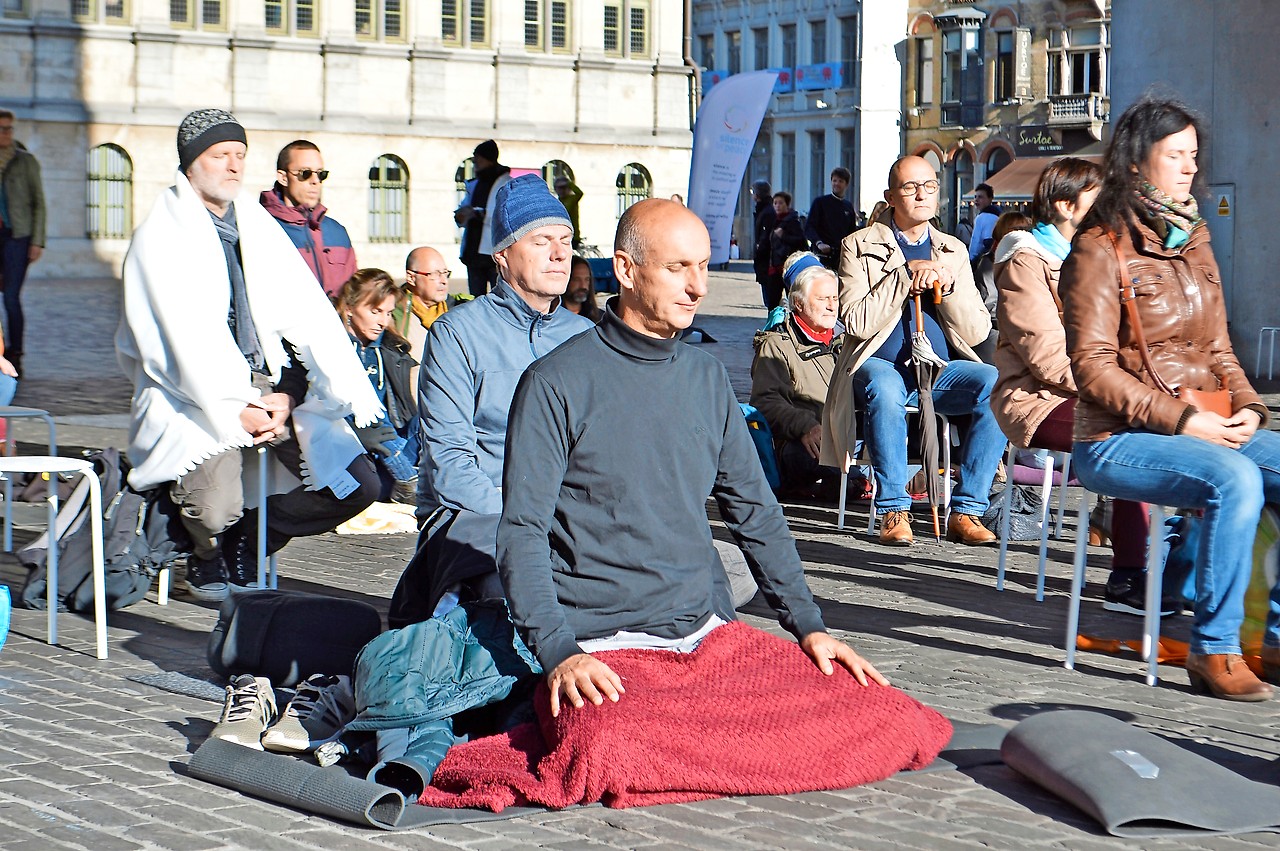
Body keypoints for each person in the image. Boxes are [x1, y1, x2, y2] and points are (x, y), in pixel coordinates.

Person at [498, 198, 888, 720]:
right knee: (622, 750)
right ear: (625, 270)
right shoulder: (553, 383)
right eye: (678, 268)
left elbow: (754, 510)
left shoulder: (705, 378)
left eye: (703, 267)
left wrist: (809, 624)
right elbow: (522, 531)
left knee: (867, 715)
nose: (698, 288)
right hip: (601, 641)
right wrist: (558, 652)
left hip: (705, 631)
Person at [1062, 95, 1280, 702]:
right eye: (1176, 154)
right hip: (1114, 439)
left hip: (1203, 423)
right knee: (1235, 479)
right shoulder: (1098, 249)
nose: (1190, 167)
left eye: (1194, 154)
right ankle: (1216, 648)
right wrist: (1184, 421)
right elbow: (1093, 370)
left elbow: (1220, 349)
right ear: (1136, 163)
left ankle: (1275, 638)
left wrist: (1247, 409)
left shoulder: (1194, 239)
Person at [116, 109, 383, 601]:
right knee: (216, 508)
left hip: (269, 387)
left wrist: (286, 396)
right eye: (221, 155)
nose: (234, 166)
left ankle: (251, 534)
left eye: (240, 155)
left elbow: (301, 321)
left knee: (357, 483)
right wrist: (233, 405)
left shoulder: (258, 230)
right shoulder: (160, 236)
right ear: (192, 163)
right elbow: (172, 344)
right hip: (193, 397)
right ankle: (202, 543)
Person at [387, 174, 594, 627]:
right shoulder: (458, 334)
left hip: (572, 525)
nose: (561, 254)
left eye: (566, 240)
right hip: (480, 519)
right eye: (542, 241)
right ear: (502, 256)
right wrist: (535, 525)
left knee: (720, 570)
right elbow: (452, 468)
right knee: (529, 591)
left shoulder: (585, 338)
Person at [991, 157, 1166, 616]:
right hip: (1038, 399)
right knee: (1134, 435)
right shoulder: (1024, 261)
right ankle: (1130, 574)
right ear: (1067, 206)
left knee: (1182, 431)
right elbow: (1045, 357)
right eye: (1099, 197)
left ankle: (1173, 557)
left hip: (1098, 390)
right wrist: (1118, 390)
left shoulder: (1100, 257)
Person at [822, 156, 1003, 547]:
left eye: (930, 186)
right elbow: (855, 321)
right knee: (885, 388)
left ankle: (967, 510)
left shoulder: (953, 249)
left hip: (938, 370)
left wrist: (948, 286)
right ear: (890, 196)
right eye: (910, 187)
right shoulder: (858, 244)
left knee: (995, 383)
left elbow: (976, 330)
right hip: (879, 364)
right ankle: (893, 509)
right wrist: (905, 276)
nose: (922, 194)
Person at [751, 252, 844, 498]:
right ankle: (854, 481)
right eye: (823, 298)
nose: (832, 305)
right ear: (799, 304)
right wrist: (806, 426)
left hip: (849, 436)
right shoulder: (777, 345)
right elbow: (765, 402)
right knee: (812, 456)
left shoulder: (847, 341)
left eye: (835, 298)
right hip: (804, 443)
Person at [335, 269, 419, 503]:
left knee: (438, 411)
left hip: (393, 447)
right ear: (350, 308)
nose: (383, 322)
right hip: (354, 453)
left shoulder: (388, 348)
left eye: (389, 313)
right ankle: (409, 483)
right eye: (375, 311)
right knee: (372, 419)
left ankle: (413, 480)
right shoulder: (334, 349)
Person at [259, 140, 357, 297]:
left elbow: (354, 296)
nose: (315, 181)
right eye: (305, 173)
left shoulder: (338, 232)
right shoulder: (261, 228)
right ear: (283, 177)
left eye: (321, 174)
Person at [0, 109, 46, 377]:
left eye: (9, 129)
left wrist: (37, 240)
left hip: (18, 237)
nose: (6, 133)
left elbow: (39, 202)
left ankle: (16, 353)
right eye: (2, 129)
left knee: (12, 297)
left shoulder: (25, 161)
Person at [455, 140, 512, 297]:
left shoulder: (504, 181)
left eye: (478, 159)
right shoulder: (476, 183)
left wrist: (478, 213)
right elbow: (465, 206)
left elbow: (504, 213)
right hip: (474, 250)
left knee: (498, 295)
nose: (476, 163)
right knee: (475, 297)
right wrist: (462, 215)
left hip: (493, 250)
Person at [805, 167, 857, 270]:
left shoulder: (848, 206)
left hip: (841, 257)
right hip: (822, 256)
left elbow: (852, 232)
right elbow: (809, 227)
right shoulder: (820, 202)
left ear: (846, 184)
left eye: (840, 181)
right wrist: (819, 243)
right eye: (834, 180)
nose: (836, 184)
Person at [765, 191, 807, 310]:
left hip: (789, 267)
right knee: (772, 302)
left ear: (787, 205)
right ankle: (772, 325)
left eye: (780, 203)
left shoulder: (793, 221)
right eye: (775, 203)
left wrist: (783, 235)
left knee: (793, 300)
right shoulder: (773, 221)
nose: (777, 206)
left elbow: (800, 241)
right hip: (774, 267)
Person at [751, 179, 775, 308]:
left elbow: (766, 237)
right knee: (769, 300)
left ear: (757, 195)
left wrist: (760, 248)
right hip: (764, 262)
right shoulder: (763, 210)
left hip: (767, 262)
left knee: (770, 300)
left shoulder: (767, 212)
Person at [967, 183, 1001, 261]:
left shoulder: (987, 217)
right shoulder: (993, 215)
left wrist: (976, 260)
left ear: (990, 199)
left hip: (979, 262)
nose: (976, 200)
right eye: (975, 196)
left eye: (980, 197)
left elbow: (988, 242)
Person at [564, 255, 601, 323]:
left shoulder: (601, 319)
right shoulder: (549, 320)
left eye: (587, 279)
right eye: (576, 279)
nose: (583, 286)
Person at [552, 175, 584, 249]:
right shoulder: (558, 201)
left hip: (573, 234)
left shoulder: (573, 199)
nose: (561, 191)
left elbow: (580, 193)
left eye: (563, 188)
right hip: (561, 233)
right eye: (559, 188)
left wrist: (569, 183)